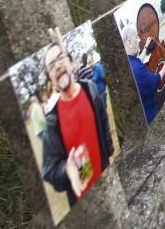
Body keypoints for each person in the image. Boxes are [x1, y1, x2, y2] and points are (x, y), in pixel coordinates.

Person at [40, 41, 114, 206]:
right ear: (50, 80)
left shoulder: (90, 89)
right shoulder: (53, 120)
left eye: (60, 58)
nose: (57, 66)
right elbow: (49, 169)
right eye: (51, 65)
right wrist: (66, 170)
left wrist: (110, 154)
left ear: (71, 62)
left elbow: (103, 123)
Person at [121, 24, 165, 124]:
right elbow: (154, 82)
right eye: (136, 36)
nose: (139, 40)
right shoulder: (136, 69)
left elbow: (139, 60)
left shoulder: (130, 62)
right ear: (130, 42)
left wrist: (146, 46)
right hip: (152, 116)